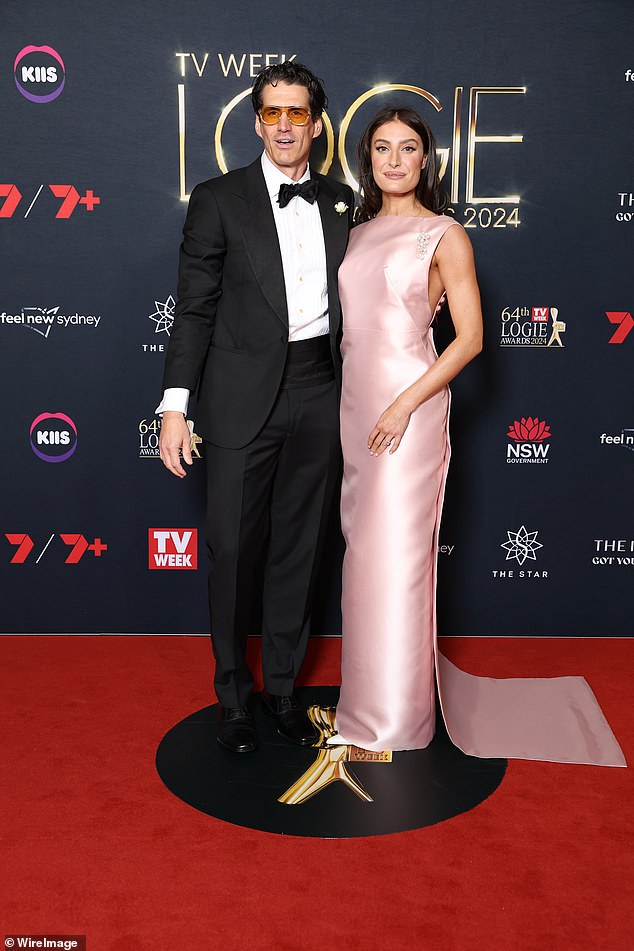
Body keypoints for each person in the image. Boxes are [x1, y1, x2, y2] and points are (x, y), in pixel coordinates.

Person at [328, 105, 625, 768]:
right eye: (382, 148)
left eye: (408, 148)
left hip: (412, 406)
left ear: (425, 160)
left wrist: (406, 402)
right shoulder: (351, 233)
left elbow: (471, 339)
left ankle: (397, 721)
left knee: (400, 559)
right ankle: (365, 703)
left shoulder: (445, 234)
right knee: (362, 557)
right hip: (355, 408)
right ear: (367, 158)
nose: (395, 161)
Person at [157, 62, 354, 754]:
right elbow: (193, 311)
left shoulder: (343, 201)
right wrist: (175, 407)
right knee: (234, 551)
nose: (284, 126)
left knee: (298, 553)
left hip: (321, 392)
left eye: (297, 113)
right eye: (272, 113)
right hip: (240, 399)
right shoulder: (218, 199)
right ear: (256, 122)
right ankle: (234, 700)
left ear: (316, 122)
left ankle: (281, 692)